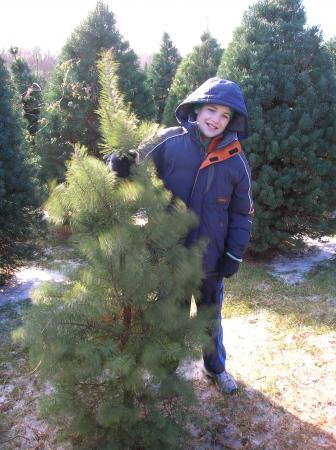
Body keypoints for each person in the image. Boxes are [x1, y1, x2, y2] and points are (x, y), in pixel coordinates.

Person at [109, 77, 253, 394]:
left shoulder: (235, 160)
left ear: (232, 121)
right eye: (211, 110)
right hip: (170, 254)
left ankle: (215, 369)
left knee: (209, 319)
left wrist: (233, 253)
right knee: (170, 316)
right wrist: (117, 164)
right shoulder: (169, 143)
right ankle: (165, 372)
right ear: (197, 108)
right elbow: (135, 165)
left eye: (225, 115)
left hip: (211, 260)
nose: (216, 119)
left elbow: (241, 213)